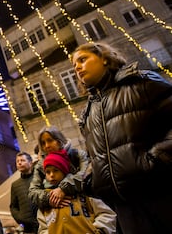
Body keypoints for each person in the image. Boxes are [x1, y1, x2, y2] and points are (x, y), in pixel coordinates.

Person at [72, 42, 172, 233]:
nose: (77, 67)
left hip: (161, 195)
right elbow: (94, 155)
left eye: (82, 59)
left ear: (104, 58)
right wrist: (92, 179)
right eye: (74, 65)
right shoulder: (89, 111)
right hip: (124, 209)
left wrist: (157, 158)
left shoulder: (140, 82)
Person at [37, 150, 117, 234]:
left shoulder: (82, 191)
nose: (51, 175)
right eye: (48, 172)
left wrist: (99, 230)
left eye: (56, 170)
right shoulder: (46, 199)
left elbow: (106, 213)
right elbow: (43, 228)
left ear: (64, 171)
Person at [28, 126, 89, 210]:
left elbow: (86, 174)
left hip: (85, 205)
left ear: (59, 140)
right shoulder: (40, 166)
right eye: (43, 143)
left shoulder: (77, 155)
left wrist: (63, 189)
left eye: (50, 140)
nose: (47, 146)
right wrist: (50, 197)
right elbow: (32, 192)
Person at [9, 152, 39, 234]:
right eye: (17, 161)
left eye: (22, 160)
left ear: (30, 162)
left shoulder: (38, 178)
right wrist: (21, 219)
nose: (19, 163)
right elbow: (13, 206)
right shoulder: (15, 185)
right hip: (28, 229)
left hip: (44, 223)